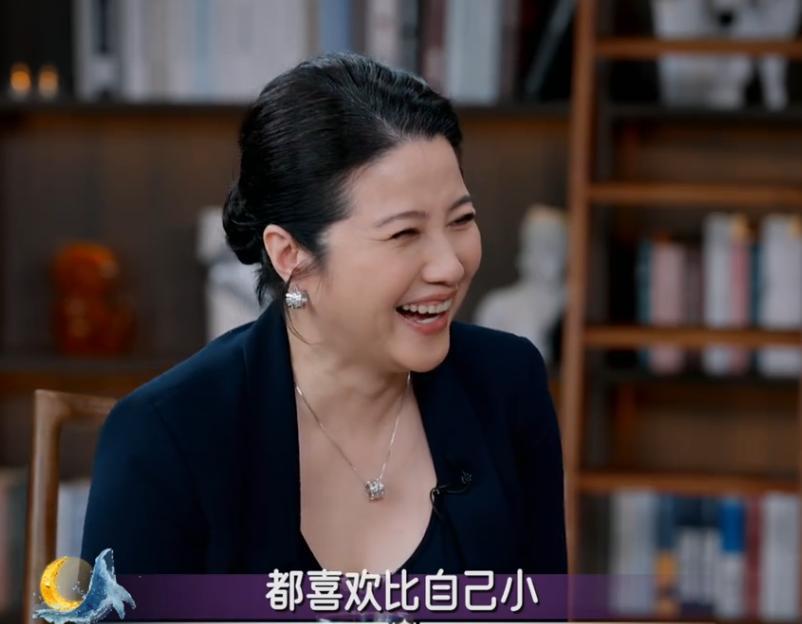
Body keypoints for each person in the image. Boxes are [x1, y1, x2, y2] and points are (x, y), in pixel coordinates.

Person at [81, 52, 567, 575]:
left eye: (461, 220)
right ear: (291, 254)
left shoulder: (507, 384)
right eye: (404, 233)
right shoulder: (166, 436)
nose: (450, 266)